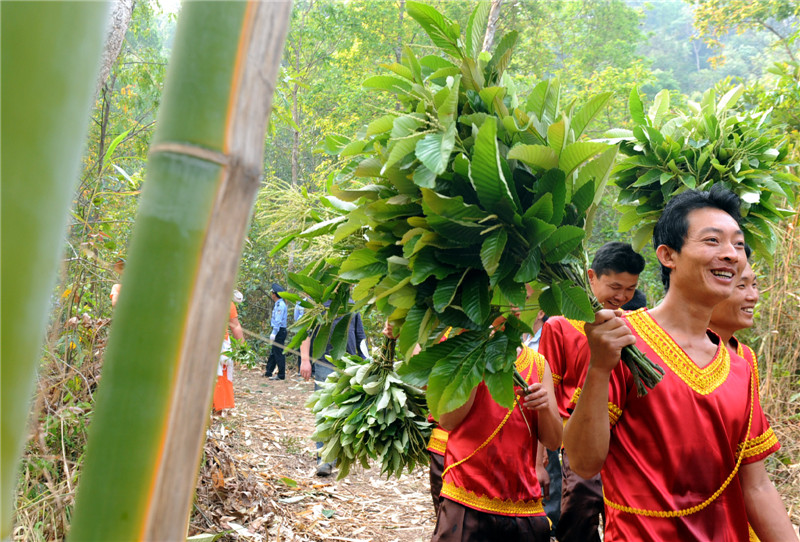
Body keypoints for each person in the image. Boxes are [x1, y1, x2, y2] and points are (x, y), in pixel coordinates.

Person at [563, 187, 796, 541]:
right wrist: (598, 369)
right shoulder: (620, 342)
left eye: (737, 244)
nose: (731, 255)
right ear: (668, 255)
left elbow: (758, 487)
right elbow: (582, 462)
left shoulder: (739, 367)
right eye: (713, 241)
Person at [538, 241, 645, 542]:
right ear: (591, 277)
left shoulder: (632, 327)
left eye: (630, 289)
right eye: (615, 286)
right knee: (579, 510)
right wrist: (540, 457)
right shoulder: (559, 326)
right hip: (574, 437)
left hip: (622, 440)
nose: (622, 296)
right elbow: (549, 390)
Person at [430, 334, 563, 541]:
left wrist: (544, 407)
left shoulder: (538, 364)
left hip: (523, 503)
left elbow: (554, 441)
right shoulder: (466, 351)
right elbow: (447, 420)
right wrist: (474, 364)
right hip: (466, 497)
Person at [300, 310, 369, 477]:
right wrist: (304, 360)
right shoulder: (316, 304)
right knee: (324, 412)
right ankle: (323, 459)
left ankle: (340, 455)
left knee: (345, 411)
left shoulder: (352, 305)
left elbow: (360, 337)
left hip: (350, 365)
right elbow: (305, 334)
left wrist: (367, 363)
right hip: (324, 362)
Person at [524, 311, 561, 534]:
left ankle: (551, 526)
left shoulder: (548, 338)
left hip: (542, 423)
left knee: (550, 481)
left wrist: (539, 460)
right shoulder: (517, 341)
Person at [213, 295, 244, 416]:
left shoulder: (227, 303)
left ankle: (219, 407)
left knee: (221, 375)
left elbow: (235, 325)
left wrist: (243, 347)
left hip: (221, 344)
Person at [264, 282, 288, 380]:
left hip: (279, 331)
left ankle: (281, 374)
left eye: (272, 293)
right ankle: (269, 371)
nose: (272, 295)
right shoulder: (278, 304)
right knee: (274, 352)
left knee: (278, 353)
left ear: (275, 294)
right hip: (278, 330)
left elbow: (278, 320)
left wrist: (274, 332)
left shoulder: (280, 305)